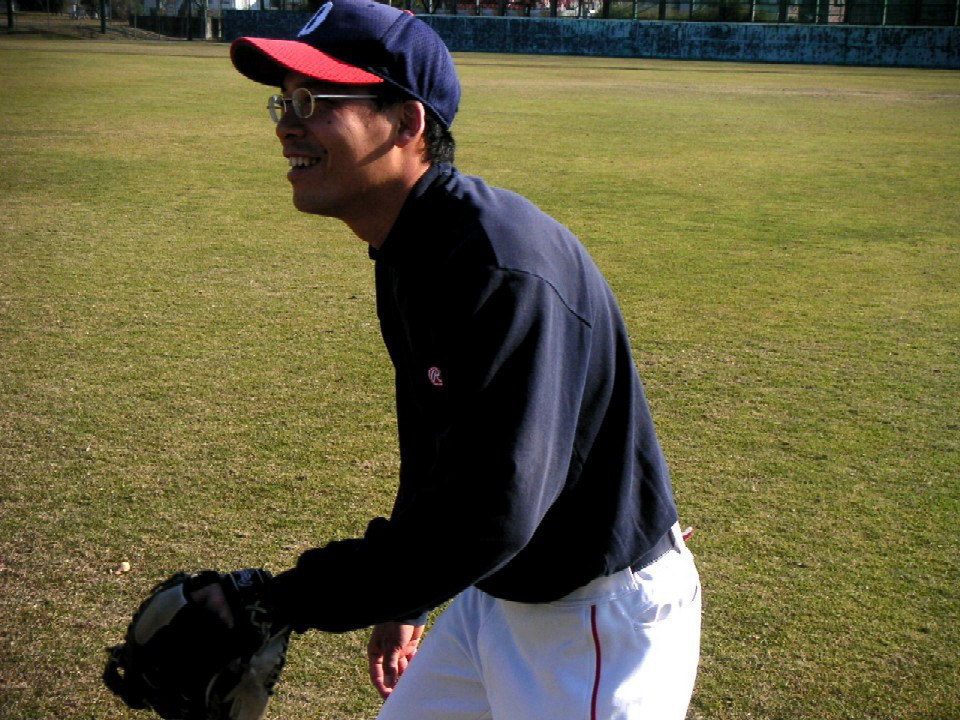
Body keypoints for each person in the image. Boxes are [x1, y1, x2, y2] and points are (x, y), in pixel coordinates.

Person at [221, 1, 703, 717]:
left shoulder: (497, 267)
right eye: (285, 101)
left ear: (407, 123)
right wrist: (406, 597)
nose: (288, 123)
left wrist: (285, 600)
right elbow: (438, 444)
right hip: (501, 592)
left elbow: (491, 512)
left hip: (593, 621)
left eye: (316, 101)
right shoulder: (408, 242)